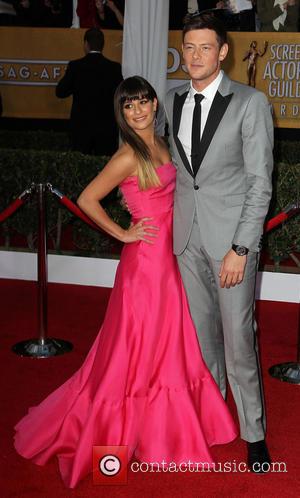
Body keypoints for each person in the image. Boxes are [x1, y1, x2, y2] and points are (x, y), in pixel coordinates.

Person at [14, 76, 237, 488]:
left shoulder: (163, 145)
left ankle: (164, 430)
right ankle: (123, 440)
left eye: (142, 102)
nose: (136, 111)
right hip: (146, 264)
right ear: (122, 112)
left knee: (167, 343)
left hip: (170, 258)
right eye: (128, 106)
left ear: (155, 104)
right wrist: (123, 233)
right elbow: (86, 198)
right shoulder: (128, 155)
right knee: (135, 347)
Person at [165, 12, 273, 472]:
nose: (195, 56)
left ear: (223, 51)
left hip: (232, 245)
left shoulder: (251, 103)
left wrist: (242, 248)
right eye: (189, 47)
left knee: (238, 344)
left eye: (205, 47)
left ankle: (254, 434)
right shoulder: (170, 100)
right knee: (201, 340)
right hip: (186, 238)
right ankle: (212, 420)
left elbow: (259, 183)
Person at [56, 27, 123, 156]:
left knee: (79, 168)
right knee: (105, 168)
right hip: (106, 129)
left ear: (86, 44)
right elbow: (121, 96)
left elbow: (60, 92)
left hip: (81, 128)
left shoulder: (75, 66)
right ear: (103, 45)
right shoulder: (114, 68)